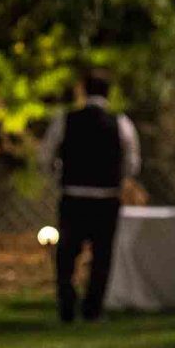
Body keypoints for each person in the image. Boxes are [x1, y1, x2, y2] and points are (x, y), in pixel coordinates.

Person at [39, 69, 140, 323]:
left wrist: (59, 175)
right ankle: (92, 310)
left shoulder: (65, 119)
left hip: (73, 196)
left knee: (66, 255)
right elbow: (132, 163)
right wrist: (117, 178)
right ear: (108, 93)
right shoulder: (121, 123)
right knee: (101, 257)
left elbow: (45, 155)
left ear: (83, 91)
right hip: (106, 199)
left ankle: (66, 305)